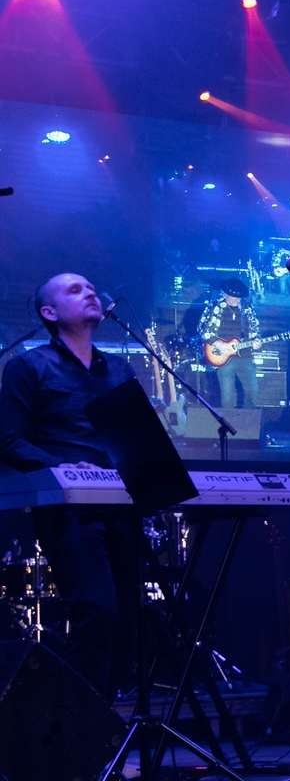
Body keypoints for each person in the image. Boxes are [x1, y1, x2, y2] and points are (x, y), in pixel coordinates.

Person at [0, 273, 138, 693]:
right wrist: (63, 468)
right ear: (50, 312)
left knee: (130, 614)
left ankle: (106, 716)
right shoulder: (29, 366)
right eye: (75, 290)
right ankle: (72, 722)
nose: (90, 292)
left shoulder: (118, 369)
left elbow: (135, 435)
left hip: (122, 503)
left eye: (92, 287)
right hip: (67, 507)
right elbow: (8, 439)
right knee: (96, 610)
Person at [197, 278, 260, 408]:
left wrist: (256, 342)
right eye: (233, 297)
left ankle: (249, 419)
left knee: (253, 392)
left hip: (245, 356)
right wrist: (218, 344)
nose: (236, 300)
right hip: (224, 358)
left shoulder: (247, 309)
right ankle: (228, 420)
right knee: (227, 397)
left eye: (238, 298)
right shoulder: (215, 306)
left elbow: (255, 330)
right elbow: (202, 329)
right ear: (224, 294)